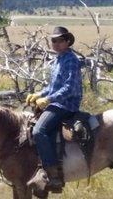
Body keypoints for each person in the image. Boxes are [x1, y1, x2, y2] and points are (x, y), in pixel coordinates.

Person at [25, 26, 83, 193]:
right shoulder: (59, 59)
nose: (56, 43)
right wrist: (39, 94)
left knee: (39, 130)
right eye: (53, 40)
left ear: (67, 41)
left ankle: (53, 175)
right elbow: (52, 86)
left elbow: (69, 88)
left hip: (67, 104)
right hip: (57, 102)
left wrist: (49, 99)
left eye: (59, 40)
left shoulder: (71, 59)